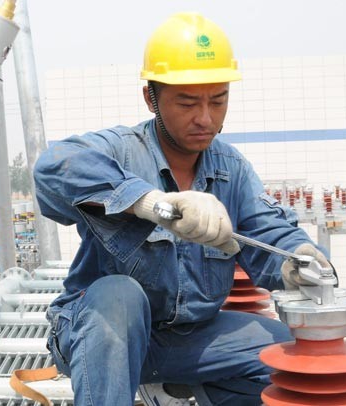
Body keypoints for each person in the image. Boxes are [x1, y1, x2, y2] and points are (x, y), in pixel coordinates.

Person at [33, 13, 330, 406]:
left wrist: (300, 259)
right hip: (101, 334)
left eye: (218, 100)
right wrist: (152, 204)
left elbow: (268, 233)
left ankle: (186, 390)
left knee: (290, 358)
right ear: (151, 98)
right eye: (187, 102)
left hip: (188, 339)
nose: (205, 118)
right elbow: (53, 168)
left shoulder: (232, 170)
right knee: (120, 295)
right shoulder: (122, 151)